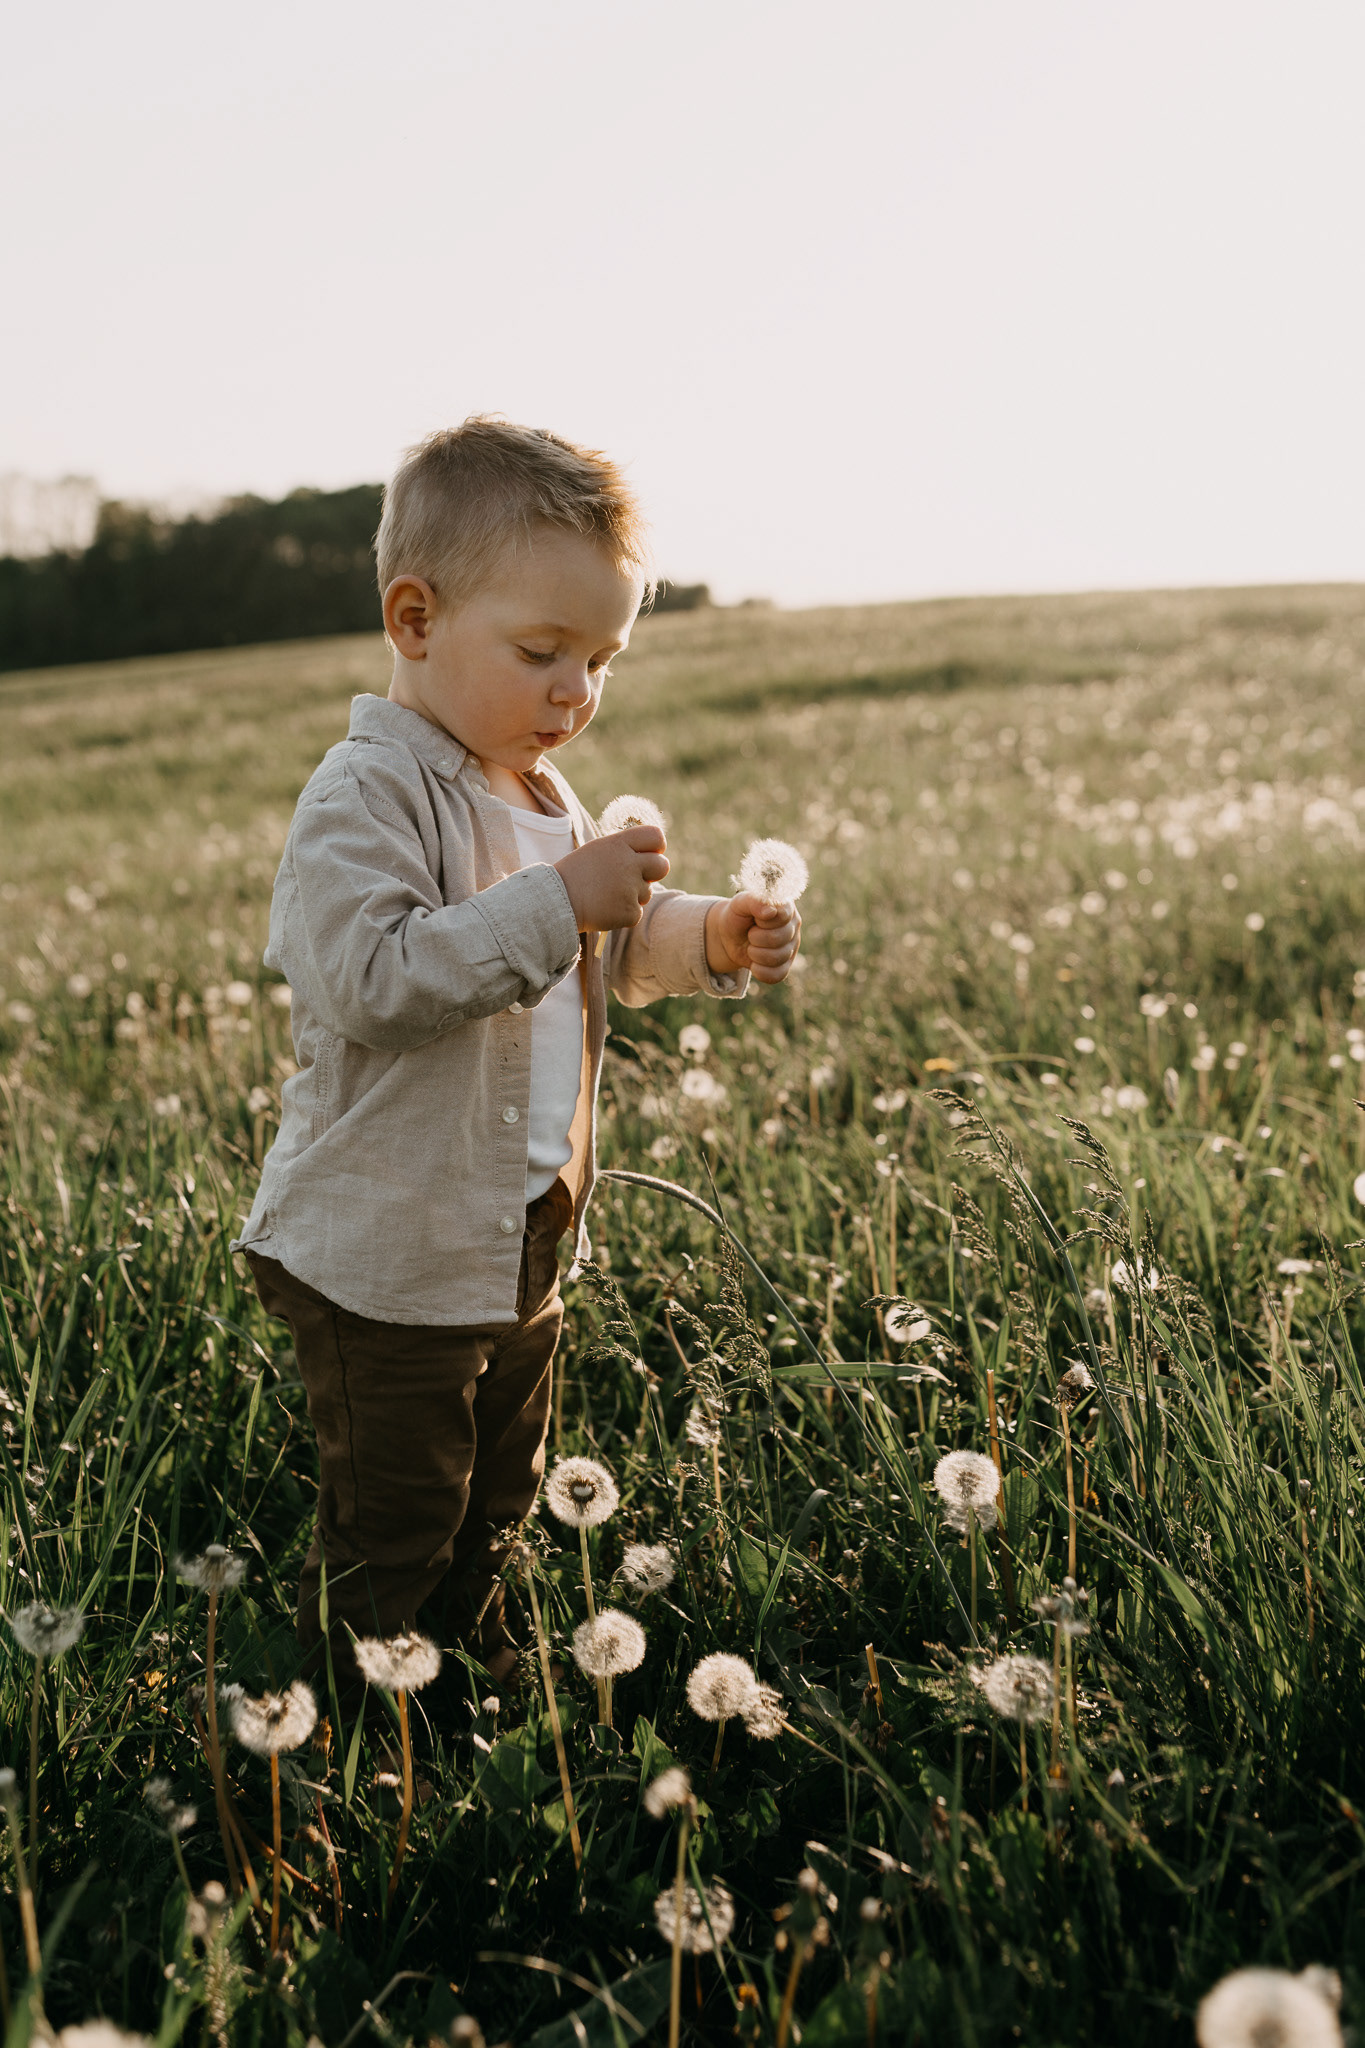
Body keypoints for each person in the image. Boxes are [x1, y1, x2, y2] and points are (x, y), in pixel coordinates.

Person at [233, 417, 802, 1688]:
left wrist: (703, 931)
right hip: (391, 1247)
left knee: (505, 1475)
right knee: (400, 1504)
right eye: (542, 650)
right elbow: (382, 980)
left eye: (601, 658)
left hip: (524, 1226)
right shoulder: (364, 795)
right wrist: (565, 900)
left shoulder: (551, 802)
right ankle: (368, 1706)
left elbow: (596, 954)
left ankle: (481, 1658)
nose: (576, 692)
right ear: (416, 618)